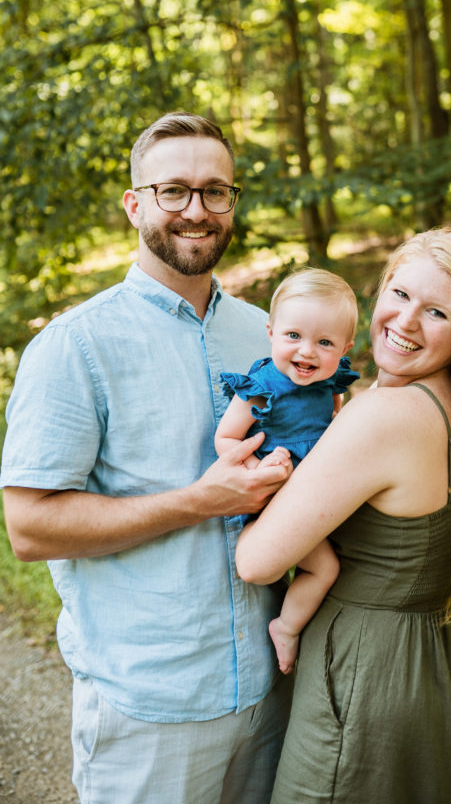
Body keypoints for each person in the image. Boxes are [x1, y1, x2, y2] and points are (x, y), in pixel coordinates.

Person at [0, 111, 294, 804]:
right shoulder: (75, 346)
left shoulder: (268, 336)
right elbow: (30, 529)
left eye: (215, 191)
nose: (197, 210)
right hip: (148, 706)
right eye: (174, 192)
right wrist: (202, 500)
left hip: (272, 690)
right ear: (136, 204)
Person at [235, 227, 451, 804]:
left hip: (365, 678)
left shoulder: (383, 415)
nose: (404, 322)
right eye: (399, 295)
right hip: (433, 669)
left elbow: (257, 561)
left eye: (435, 311)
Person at [216, 268, 360, 674]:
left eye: (324, 342)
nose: (307, 352)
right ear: (271, 332)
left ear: (345, 348)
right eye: (293, 336)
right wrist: (257, 467)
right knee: (324, 567)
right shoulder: (262, 385)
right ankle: (287, 627)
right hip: (279, 495)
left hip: (317, 489)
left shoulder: (330, 384)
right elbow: (226, 439)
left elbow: (333, 427)